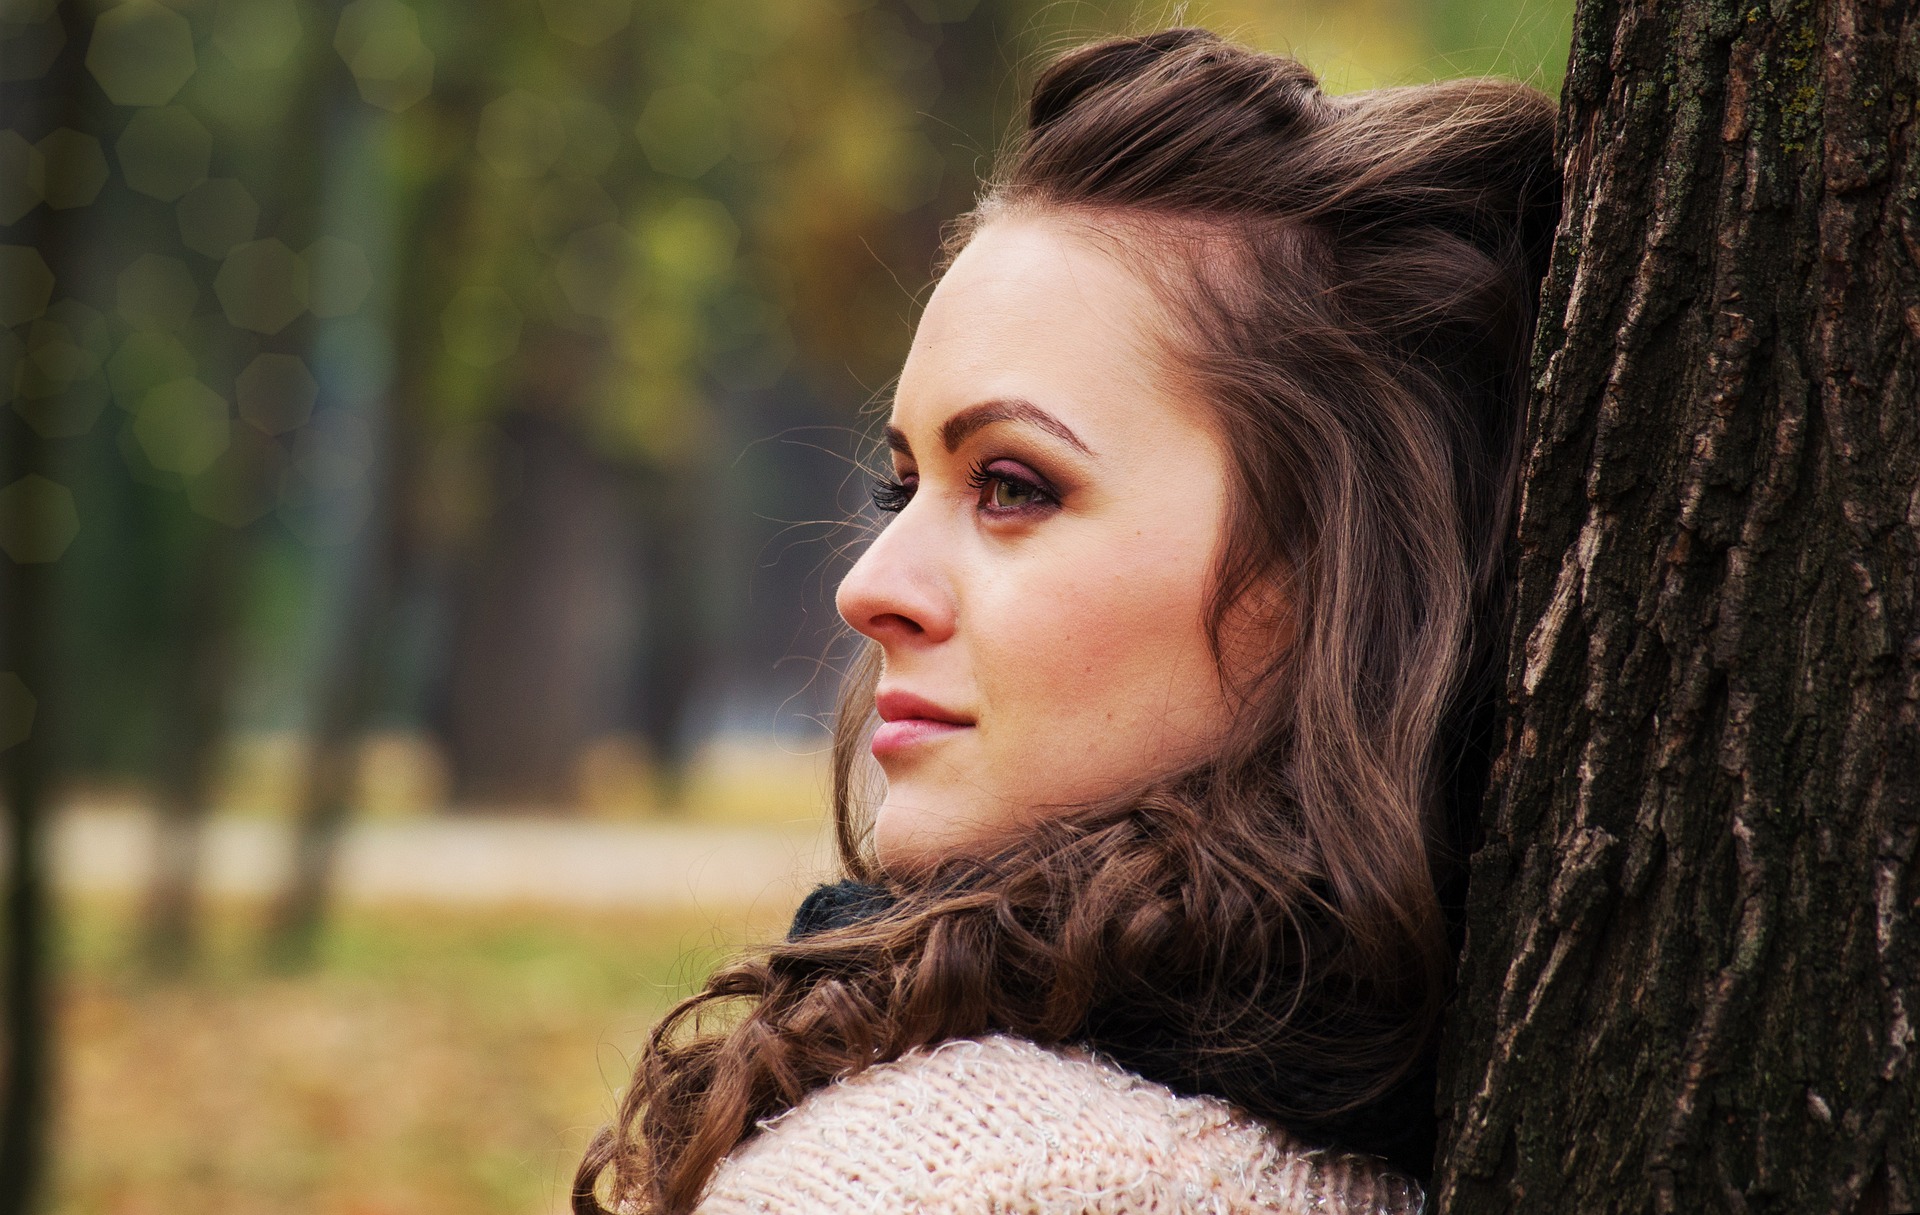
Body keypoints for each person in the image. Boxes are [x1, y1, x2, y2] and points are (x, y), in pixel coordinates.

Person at [576, 27, 1559, 1215]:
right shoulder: (1444, 1120)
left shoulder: (945, 1178)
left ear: (1342, 584)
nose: (869, 587)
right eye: (904, 487)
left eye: (1013, 485)